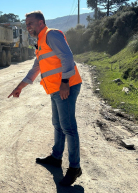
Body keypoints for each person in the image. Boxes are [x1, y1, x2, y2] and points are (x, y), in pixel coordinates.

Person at [8, 11, 83, 186]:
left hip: (66, 86)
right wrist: (20, 87)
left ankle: (75, 168)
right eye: (26, 24)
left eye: (31, 23)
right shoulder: (40, 43)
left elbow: (68, 57)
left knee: (69, 128)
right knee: (57, 125)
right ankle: (56, 157)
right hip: (55, 89)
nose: (28, 27)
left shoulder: (52, 35)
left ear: (41, 23)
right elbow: (36, 69)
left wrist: (65, 82)